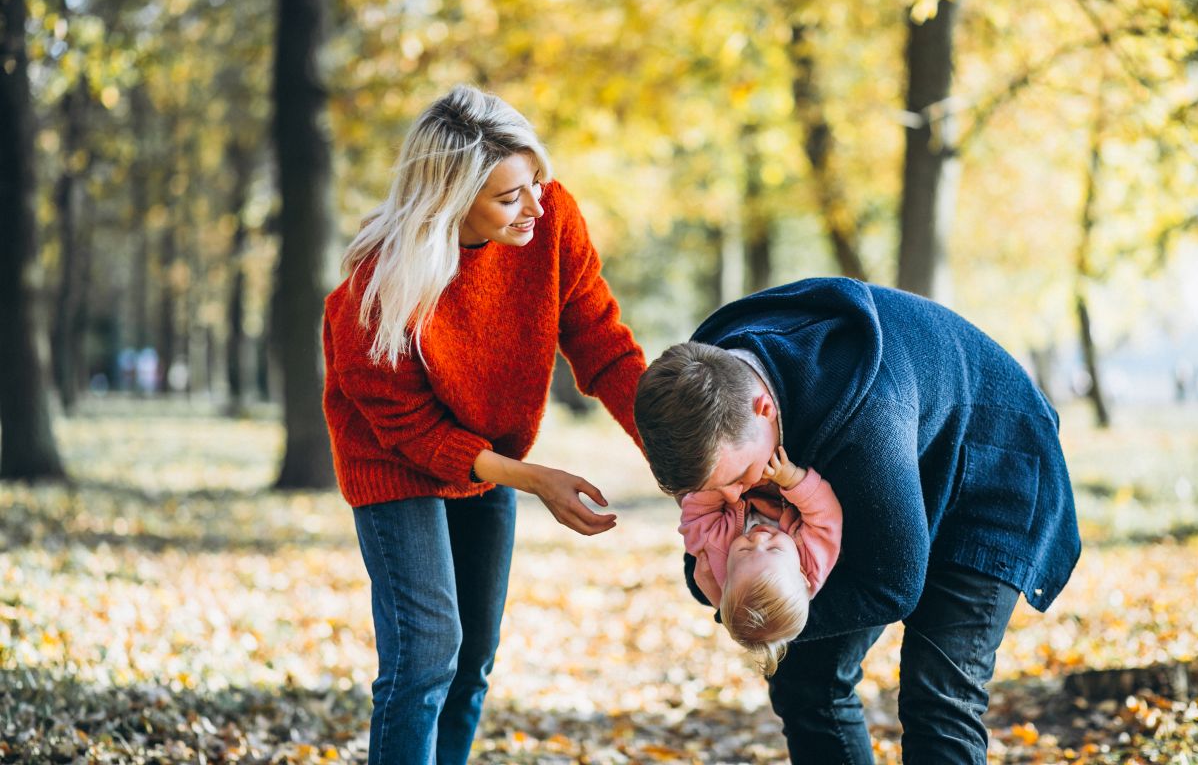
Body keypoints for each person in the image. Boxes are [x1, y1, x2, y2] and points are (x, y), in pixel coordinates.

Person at [322, 85, 646, 765]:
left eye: (534, 181)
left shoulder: (548, 218)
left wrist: (681, 458)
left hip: (487, 454)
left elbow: (604, 345)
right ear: (450, 198)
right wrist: (535, 479)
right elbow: (418, 435)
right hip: (396, 464)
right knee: (427, 654)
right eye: (508, 197)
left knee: (473, 658)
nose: (535, 205)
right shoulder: (375, 290)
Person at [634, 278, 1080, 764]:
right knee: (805, 681)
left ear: (764, 410)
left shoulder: (868, 418)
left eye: (742, 476)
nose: (736, 497)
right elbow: (702, 559)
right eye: (713, 489)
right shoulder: (703, 388)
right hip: (892, 473)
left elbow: (894, 584)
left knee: (938, 692)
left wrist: (761, 619)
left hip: (993, 467)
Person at [679, 445, 841, 676]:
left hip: (735, 474)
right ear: (802, 576)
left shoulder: (716, 555)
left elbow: (696, 514)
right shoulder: (813, 559)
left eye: (744, 551)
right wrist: (792, 478)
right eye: (774, 549)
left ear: (728, 572)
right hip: (785, 479)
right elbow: (825, 513)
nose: (759, 538)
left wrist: (727, 482)